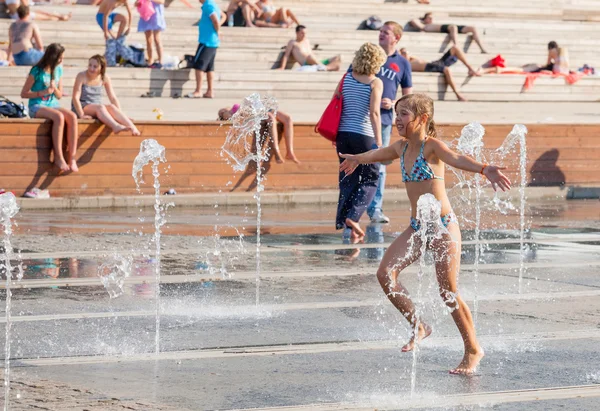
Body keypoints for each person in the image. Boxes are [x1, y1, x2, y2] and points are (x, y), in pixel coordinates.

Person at [339, 93, 511, 375]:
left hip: (443, 226)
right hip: (418, 227)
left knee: (448, 291)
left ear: (422, 118)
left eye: (404, 114)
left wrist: (483, 169)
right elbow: (379, 154)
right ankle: (419, 325)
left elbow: (455, 157)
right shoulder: (401, 147)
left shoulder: (432, 147)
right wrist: (357, 158)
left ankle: (472, 349)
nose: (398, 120)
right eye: (396, 114)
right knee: (385, 274)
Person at [335, 42, 386, 240]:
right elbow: (374, 112)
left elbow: (336, 102)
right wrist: (379, 143)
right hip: (364, 135)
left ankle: (344, 220)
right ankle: (353, 217)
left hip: (343, 134)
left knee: (347, 176)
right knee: (371, 178)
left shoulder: (346, 78)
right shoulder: (375, 82)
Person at [367, 21, 413, 224]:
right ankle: (353, 209)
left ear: (397, 38)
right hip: (362, 117)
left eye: (386, 32)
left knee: (380, 164)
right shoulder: (369, 55)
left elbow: (408, 97)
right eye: (380, 31)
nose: (381, 34)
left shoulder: (402, 63)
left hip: (384, 119)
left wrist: (394, 103)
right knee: (357, 161)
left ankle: (375, 208)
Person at [20, 43, 79, 172]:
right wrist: (42, 92)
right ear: (52, 57)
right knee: (58, 117)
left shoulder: (58, 69)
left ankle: (72, 158)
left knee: (73, 117)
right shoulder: (36, 71)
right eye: (60, 57)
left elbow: (59, 96)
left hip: (53, 104)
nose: (61, 60)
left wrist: (54, 89)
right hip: (37, 105)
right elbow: (23, 93)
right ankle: (58, 157)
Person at [72, 55, 141, 136]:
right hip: (82, 106)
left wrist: (121, 114)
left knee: (111, 107)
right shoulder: (81, 76)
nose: (91, 68)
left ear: (101, 68)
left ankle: (132, 127)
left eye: (95, 66)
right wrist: (81, 114)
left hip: (97, 107)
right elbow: (75, 97)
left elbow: (112, 97)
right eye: (90, 65)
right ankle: (115, 126)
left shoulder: (104, 78)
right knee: (101, 107)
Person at [218, 104, 299, 163]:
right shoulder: (230, 114)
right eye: (221, 113)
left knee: (288, 118)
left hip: (261, 108)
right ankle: (276, 150)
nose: (222, 111)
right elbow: (231, 119)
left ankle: (290, 152)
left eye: (222, 110)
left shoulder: (234, 107)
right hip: (256, 114)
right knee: (271, 118)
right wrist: (225, 115)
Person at [401, 46, 481, 101]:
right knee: (447, 70)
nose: (406, 53)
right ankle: (457, 94)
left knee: (454, 48)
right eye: (404, 52)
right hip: (429, 67)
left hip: (434, 63)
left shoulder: (412, 59)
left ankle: (470, 69)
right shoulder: (404, 63)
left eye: (407, 52)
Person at [187, 0, 225, 98]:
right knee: (209, 68)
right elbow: (224, 16)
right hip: (213, 42)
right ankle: (210, 91)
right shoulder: (213, 4)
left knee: (199, 66)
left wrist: (218, 31)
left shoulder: (208, 5)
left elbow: (215, 20)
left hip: (207, 41)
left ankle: (198, 90)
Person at [409, 12, 487, 54]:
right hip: (446, 28)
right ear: (425, 19)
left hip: (448, 26)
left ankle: (482, 48)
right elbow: (413, 21)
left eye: (432, 18)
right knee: (453, 27)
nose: (431, 19)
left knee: (472, 28)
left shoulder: (432, 23)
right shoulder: (424, 25)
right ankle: (456, 46)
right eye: (429, 18)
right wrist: (422, 20)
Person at [136, 0, 166, 68]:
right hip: (146, 14)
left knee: (157, 38)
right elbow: (137, 3)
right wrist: (138, 3)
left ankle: (161, 60)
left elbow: (162, 1)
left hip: (156, 14)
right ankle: (150, 60)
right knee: (148, 40)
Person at [5, 0, 72, 21]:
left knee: (41, 12)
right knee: (47, 16)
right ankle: (61, 17)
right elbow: (26, 5)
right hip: (21, 15)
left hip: (15, 15)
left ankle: (60, 16)